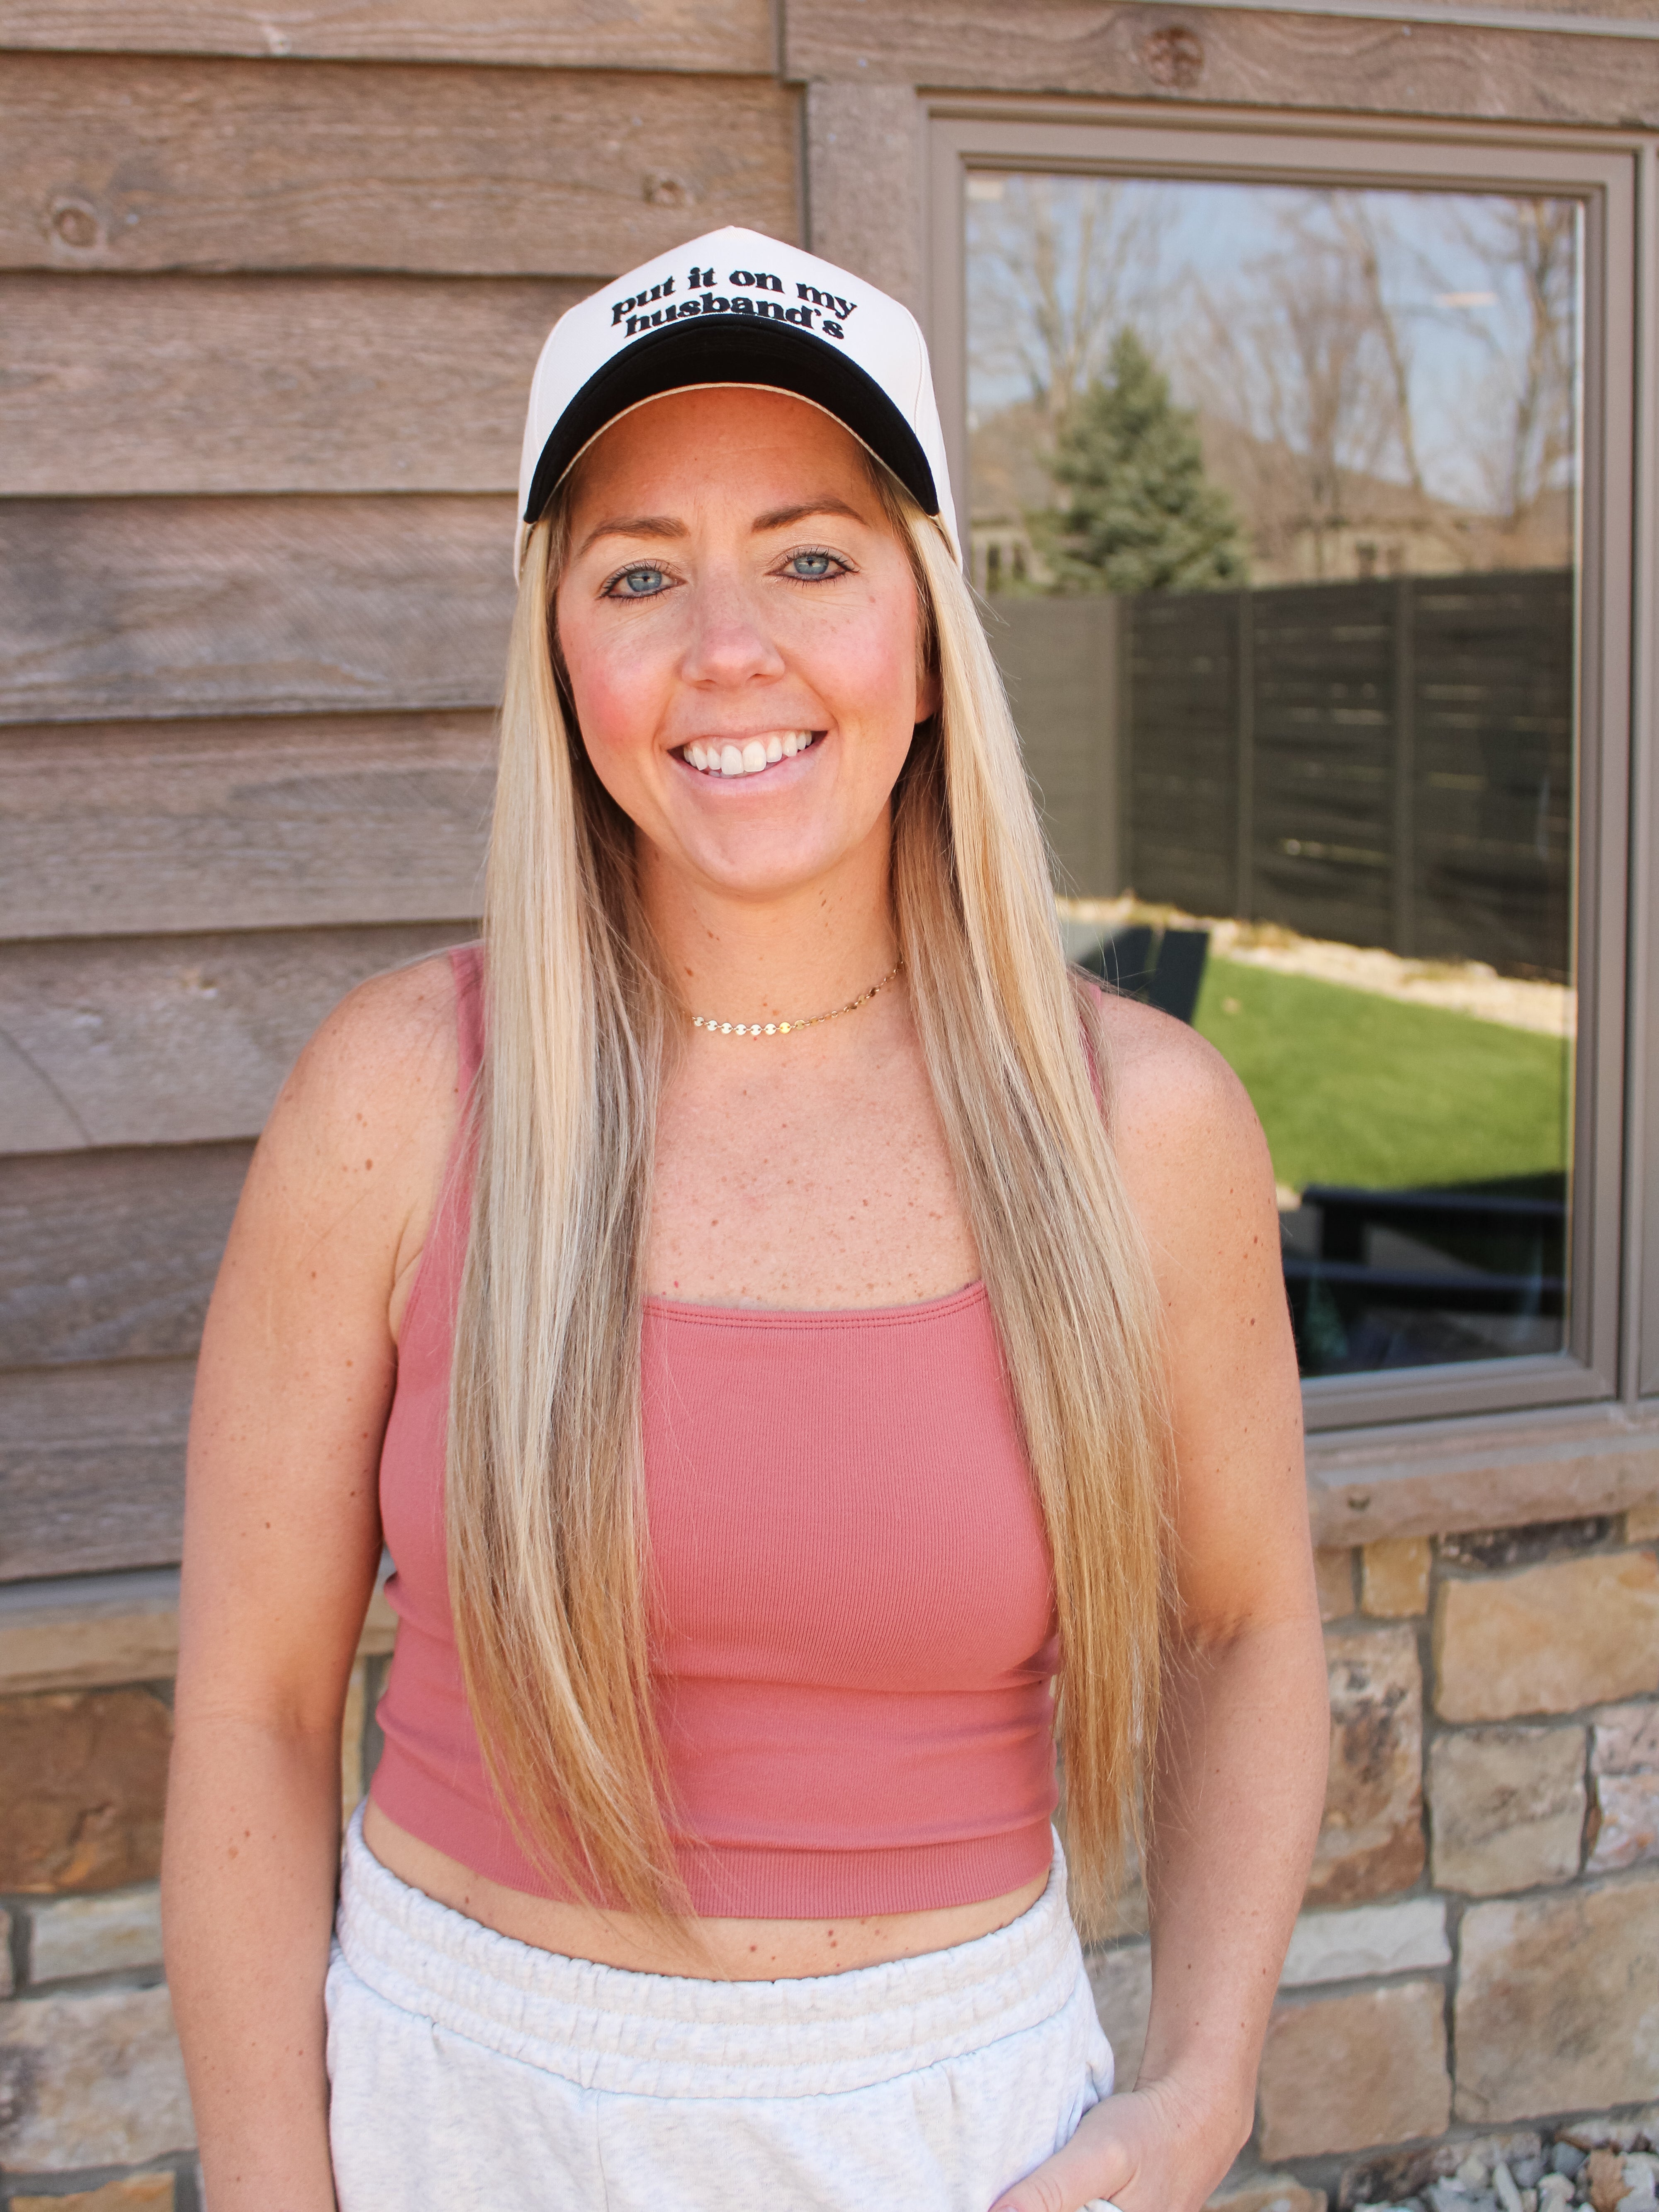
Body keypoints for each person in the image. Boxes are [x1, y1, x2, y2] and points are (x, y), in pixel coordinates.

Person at [163, 225, 1328, 2212]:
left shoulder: (1138, 1125)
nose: (728, 647)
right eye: (639, 574)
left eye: (809, 558)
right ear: (561, 657)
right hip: (461, 2112)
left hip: (946, 2129)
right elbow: (253, 1706)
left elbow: (1244, 1623)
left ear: (926, 628)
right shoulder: (401, 1094)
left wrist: (1203, 2085)